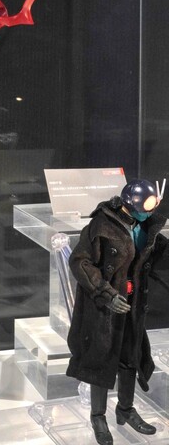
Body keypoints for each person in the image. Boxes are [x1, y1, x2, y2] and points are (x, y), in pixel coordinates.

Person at [66, 179, 167, 444]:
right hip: (105, 307)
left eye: (153, 206)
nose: (150, 211)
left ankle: (125, 409)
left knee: (130, 357)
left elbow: (154, 256)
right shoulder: (101, 226)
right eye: (146, 206)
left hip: (133, 305)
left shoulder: (145, 226)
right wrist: (106, 293)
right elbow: (80, 262)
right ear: (131, 204)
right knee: (101, 359)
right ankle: (98, 416)